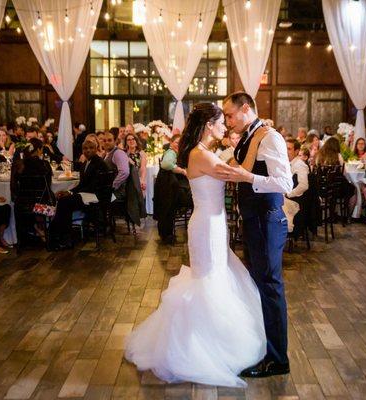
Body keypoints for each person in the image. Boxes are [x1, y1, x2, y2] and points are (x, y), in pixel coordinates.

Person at [125, 103, 266, 388]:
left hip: (212, 224)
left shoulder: (203, 153)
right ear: (208, 125)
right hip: (206, 227)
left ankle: (210, 337)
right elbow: (238, 172)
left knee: (215, 276)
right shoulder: (199, 155)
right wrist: (257, 139)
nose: (225, 126)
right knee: (208, 280)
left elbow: (229, 168)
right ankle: (202, 346)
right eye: (220, 121)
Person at [217, 91, 292, 378]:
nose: (227, 121)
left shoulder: (269, 137)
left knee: (270, 287)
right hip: (254, 221)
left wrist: (247, 178)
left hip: (268, 221)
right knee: (259, 285)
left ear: (246, 108)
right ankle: (264, 348)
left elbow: (284, 182)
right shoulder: (249, 135)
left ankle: (277, 359)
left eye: (230, 115)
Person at [49, 140, 110, 250]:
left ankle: (63, 238)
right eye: (85, 148)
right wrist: (69, 192)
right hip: (86, 194)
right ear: (82, 151)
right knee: (63, 199)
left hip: (95, 197)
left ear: (96, 149)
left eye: (91, 148)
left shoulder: (99, 163)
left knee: (64, 202)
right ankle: (59, 236)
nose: (88, 150)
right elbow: (82, 184)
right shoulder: (85, 163)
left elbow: (94, 186)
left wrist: (71, 193)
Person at [10, 138, 53, 242]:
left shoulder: (18, 165)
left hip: (22, 205)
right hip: (43, 207)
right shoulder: (45, 164)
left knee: (22, 204)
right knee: (54, 201)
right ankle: (44, 229)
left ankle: (29, 231)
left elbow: (13, 188)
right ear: (38, 150)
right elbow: (48, 186)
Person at [153, 134, 189, 244]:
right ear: (171, 143)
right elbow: (166, 164)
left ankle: (167, 235)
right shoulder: (170, 153)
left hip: (168, 186)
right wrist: (183, 171)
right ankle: (166, 235)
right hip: (166, 186)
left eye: (180, 143)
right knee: (167, 209)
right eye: (176, 142)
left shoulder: (175, 153)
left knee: (168, 210)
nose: (178, 145)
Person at [103, 130, 130, 199]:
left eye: (109, 140)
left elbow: (124, 172)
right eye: (104, 140)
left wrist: (112, 186)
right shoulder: (107, 153)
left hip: (117, 193)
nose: (106, 142)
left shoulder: (118, 153)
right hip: (109, 191)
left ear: (115, 141)